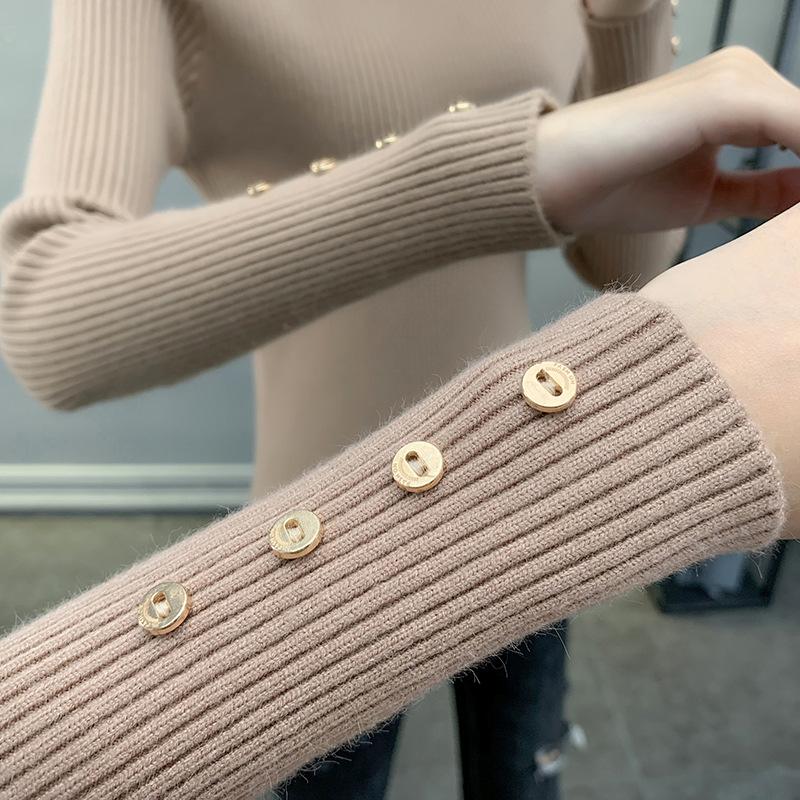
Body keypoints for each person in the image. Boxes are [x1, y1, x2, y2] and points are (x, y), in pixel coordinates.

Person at [0, 9, 799, 800]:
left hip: (529, 471)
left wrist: (628, 20)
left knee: (522, 775)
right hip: (319, 535)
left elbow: (626, 257)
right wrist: (494, 172)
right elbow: (47, 316)